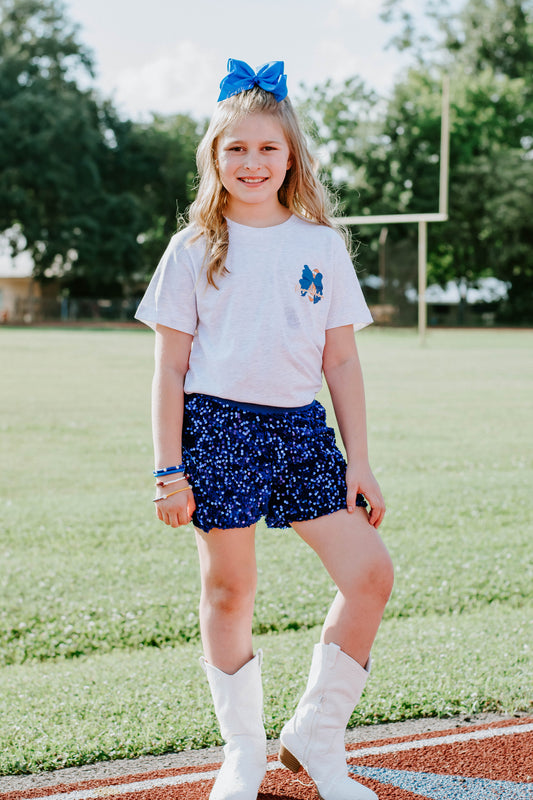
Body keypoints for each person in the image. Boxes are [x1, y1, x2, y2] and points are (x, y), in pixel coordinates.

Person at [135, 58, 394, 800]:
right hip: (216, 433)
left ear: (292, 157)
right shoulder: (191, 249)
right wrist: (167, 469)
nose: (252, 162)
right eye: (235, 149)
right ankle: (242, 751)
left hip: (302, 433)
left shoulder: (319, 245)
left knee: (369, 574)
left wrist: (360, 460)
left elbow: (340, 361)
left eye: (267, 149)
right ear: (214, 158)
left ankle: (315, 734)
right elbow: (168, 371)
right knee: (229, 592)